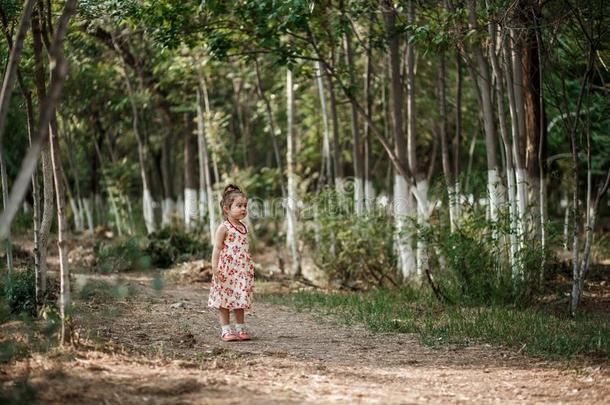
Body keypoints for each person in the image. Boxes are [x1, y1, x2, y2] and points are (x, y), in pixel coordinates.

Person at [208, 184, 255, 341]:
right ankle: (226, 330)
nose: (243, 209)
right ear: (227, 209)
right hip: (226, 270)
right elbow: (217, 248)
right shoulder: (224, 227)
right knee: (225, 301)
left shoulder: (244, 227)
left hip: (241, 270)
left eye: (245, 206)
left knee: (240, 299)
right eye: (239, 205)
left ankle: (240, 327)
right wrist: (215, 268)